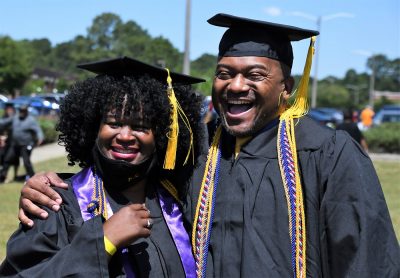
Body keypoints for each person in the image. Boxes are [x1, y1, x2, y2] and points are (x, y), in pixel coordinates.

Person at [16, 14, 400, 277]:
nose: (235, 86)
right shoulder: (196, 157)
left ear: (286, 87)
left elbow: (367, 259)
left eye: (255, 75)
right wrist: (50, 184)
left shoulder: (326, 155)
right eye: (224, 73)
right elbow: (121, 173)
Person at [0, 56, 205, 277]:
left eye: (140, 126)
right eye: (114, 123)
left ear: (163, 135)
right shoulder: (56, 204)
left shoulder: (181, 202)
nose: (125, 136)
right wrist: (103, 242)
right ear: (93, 127)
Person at [0, 104, 43, 182]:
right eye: (20, 110)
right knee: (7, 160)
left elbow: (38, 130)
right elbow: (4, 122)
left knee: (26, 162)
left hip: (25, 145)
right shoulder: (15, 118)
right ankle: (2, 177)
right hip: (15, 145)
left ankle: (32, 177)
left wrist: (40, 138)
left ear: (26, 111)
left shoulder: (31, 120)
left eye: (23, 111)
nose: (21, 112)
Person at [0, 102, 20, 181]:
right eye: (8, 109)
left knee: (13, 160)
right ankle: (4, 176)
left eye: (11, 109)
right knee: (4, 159)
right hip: (6, 143)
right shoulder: (4, 118)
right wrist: (1, 138)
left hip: (15, 143)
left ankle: (13, 176)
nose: (9, 111)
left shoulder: (17, 118)